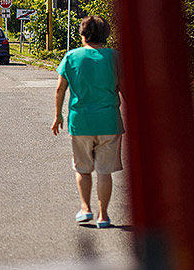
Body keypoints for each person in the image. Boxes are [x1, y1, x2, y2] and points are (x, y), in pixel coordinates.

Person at [51, 16, 124, 229]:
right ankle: (103, 216)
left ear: (83, 35)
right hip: (109, 122)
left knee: (83, 169)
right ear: (106, 35)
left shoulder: (72, 57)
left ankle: (85, 209)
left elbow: (60, 89)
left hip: (81, 122)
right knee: (104, 171)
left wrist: (58, 116)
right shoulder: (115, 57)